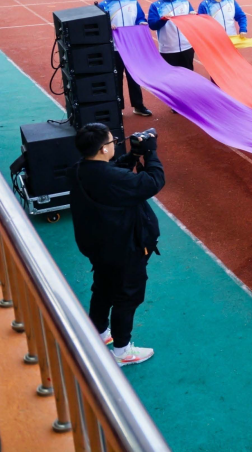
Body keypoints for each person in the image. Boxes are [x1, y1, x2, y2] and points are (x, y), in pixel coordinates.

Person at [68, 124, 164, 366]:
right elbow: (153, 181)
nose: (115, 145)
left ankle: (99, 332)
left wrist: (132, 156)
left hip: (99, 247)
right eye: (112, 142)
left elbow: (111, 174)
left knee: (103, 289)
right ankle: (122, 351)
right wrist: (150, 153)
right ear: (103, 149)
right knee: (127, 297)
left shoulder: (78, 170)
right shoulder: (112, 179)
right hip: (124, 250)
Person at [98, 0, 153, 117]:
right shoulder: (103, 5)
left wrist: (141, 22)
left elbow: (140, 17)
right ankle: (118, 107)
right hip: (114, 48)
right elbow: (99, 26)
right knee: (116, 79)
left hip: (131, 47)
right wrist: (107, 26)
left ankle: (138, 106)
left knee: (134, 77)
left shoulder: (133, 2)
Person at [147, 0, 196, 69]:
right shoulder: (155, 6)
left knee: (188, 73)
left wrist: (194, 17)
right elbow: (152, 25)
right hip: (168, 49)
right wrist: (163, 20)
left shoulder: (185, 3)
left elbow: (192, 23)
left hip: (187, 46)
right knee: (171, 75)